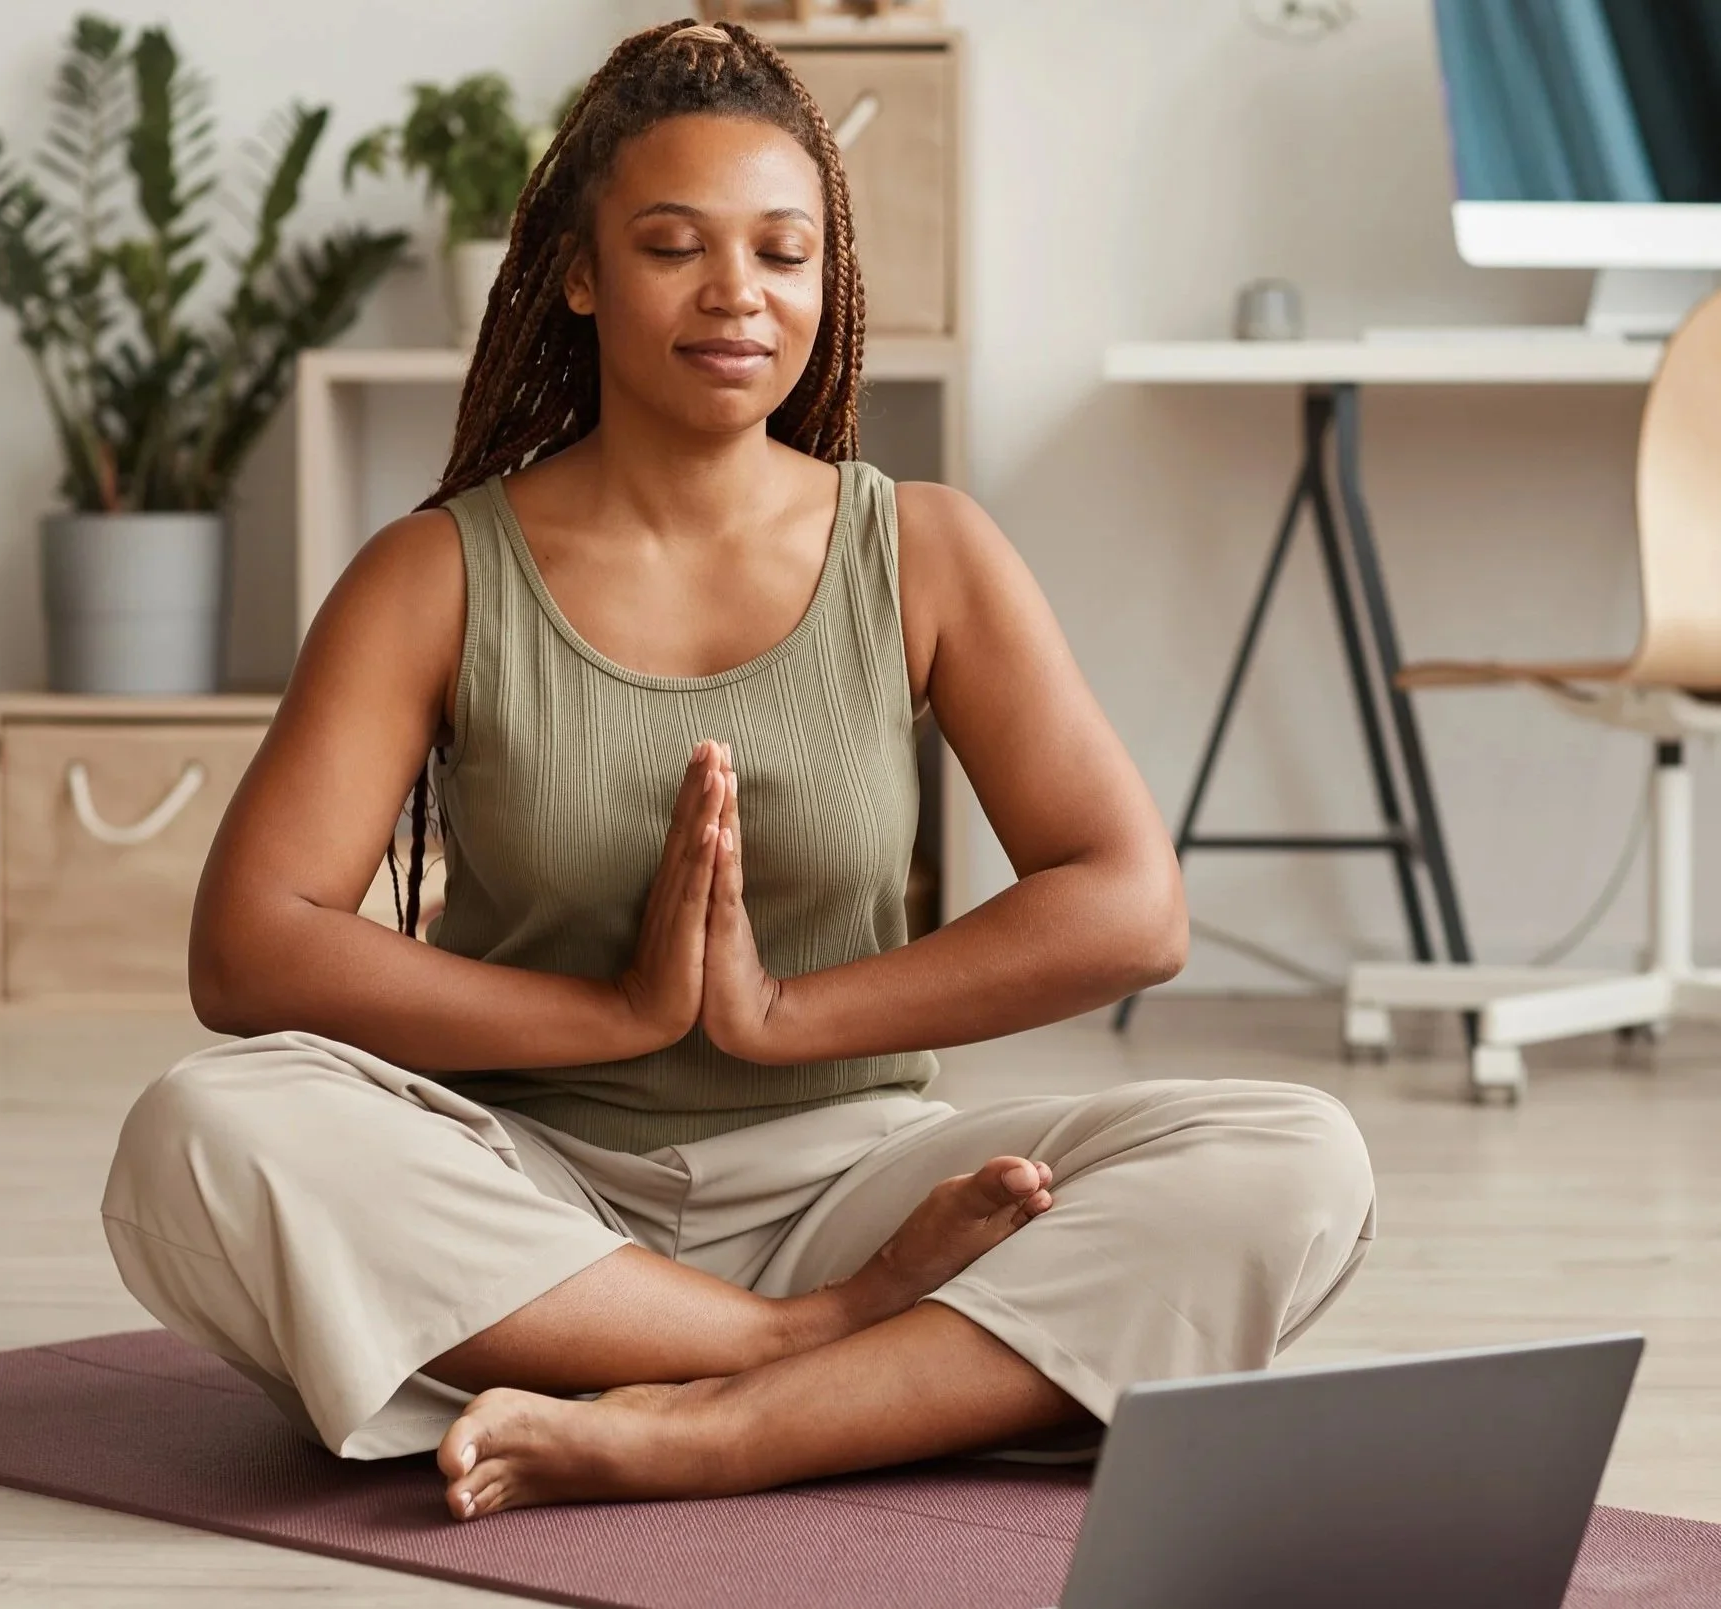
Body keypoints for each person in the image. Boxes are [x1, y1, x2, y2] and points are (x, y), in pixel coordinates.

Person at [101, 17, 1376, 1523]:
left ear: (825, 285)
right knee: (206, 1130)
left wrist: (779, 1018)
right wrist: (611, 1015)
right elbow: (251, 947)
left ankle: (704, 1433)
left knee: (1296, 1156)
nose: (738, 296)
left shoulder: (929, 550)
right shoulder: (434, 572)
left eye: (783, 253)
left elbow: (1128, 905)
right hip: (529, 1193)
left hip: (857, 1186)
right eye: (673, 246)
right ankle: (807, 1362)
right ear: (578, 275)